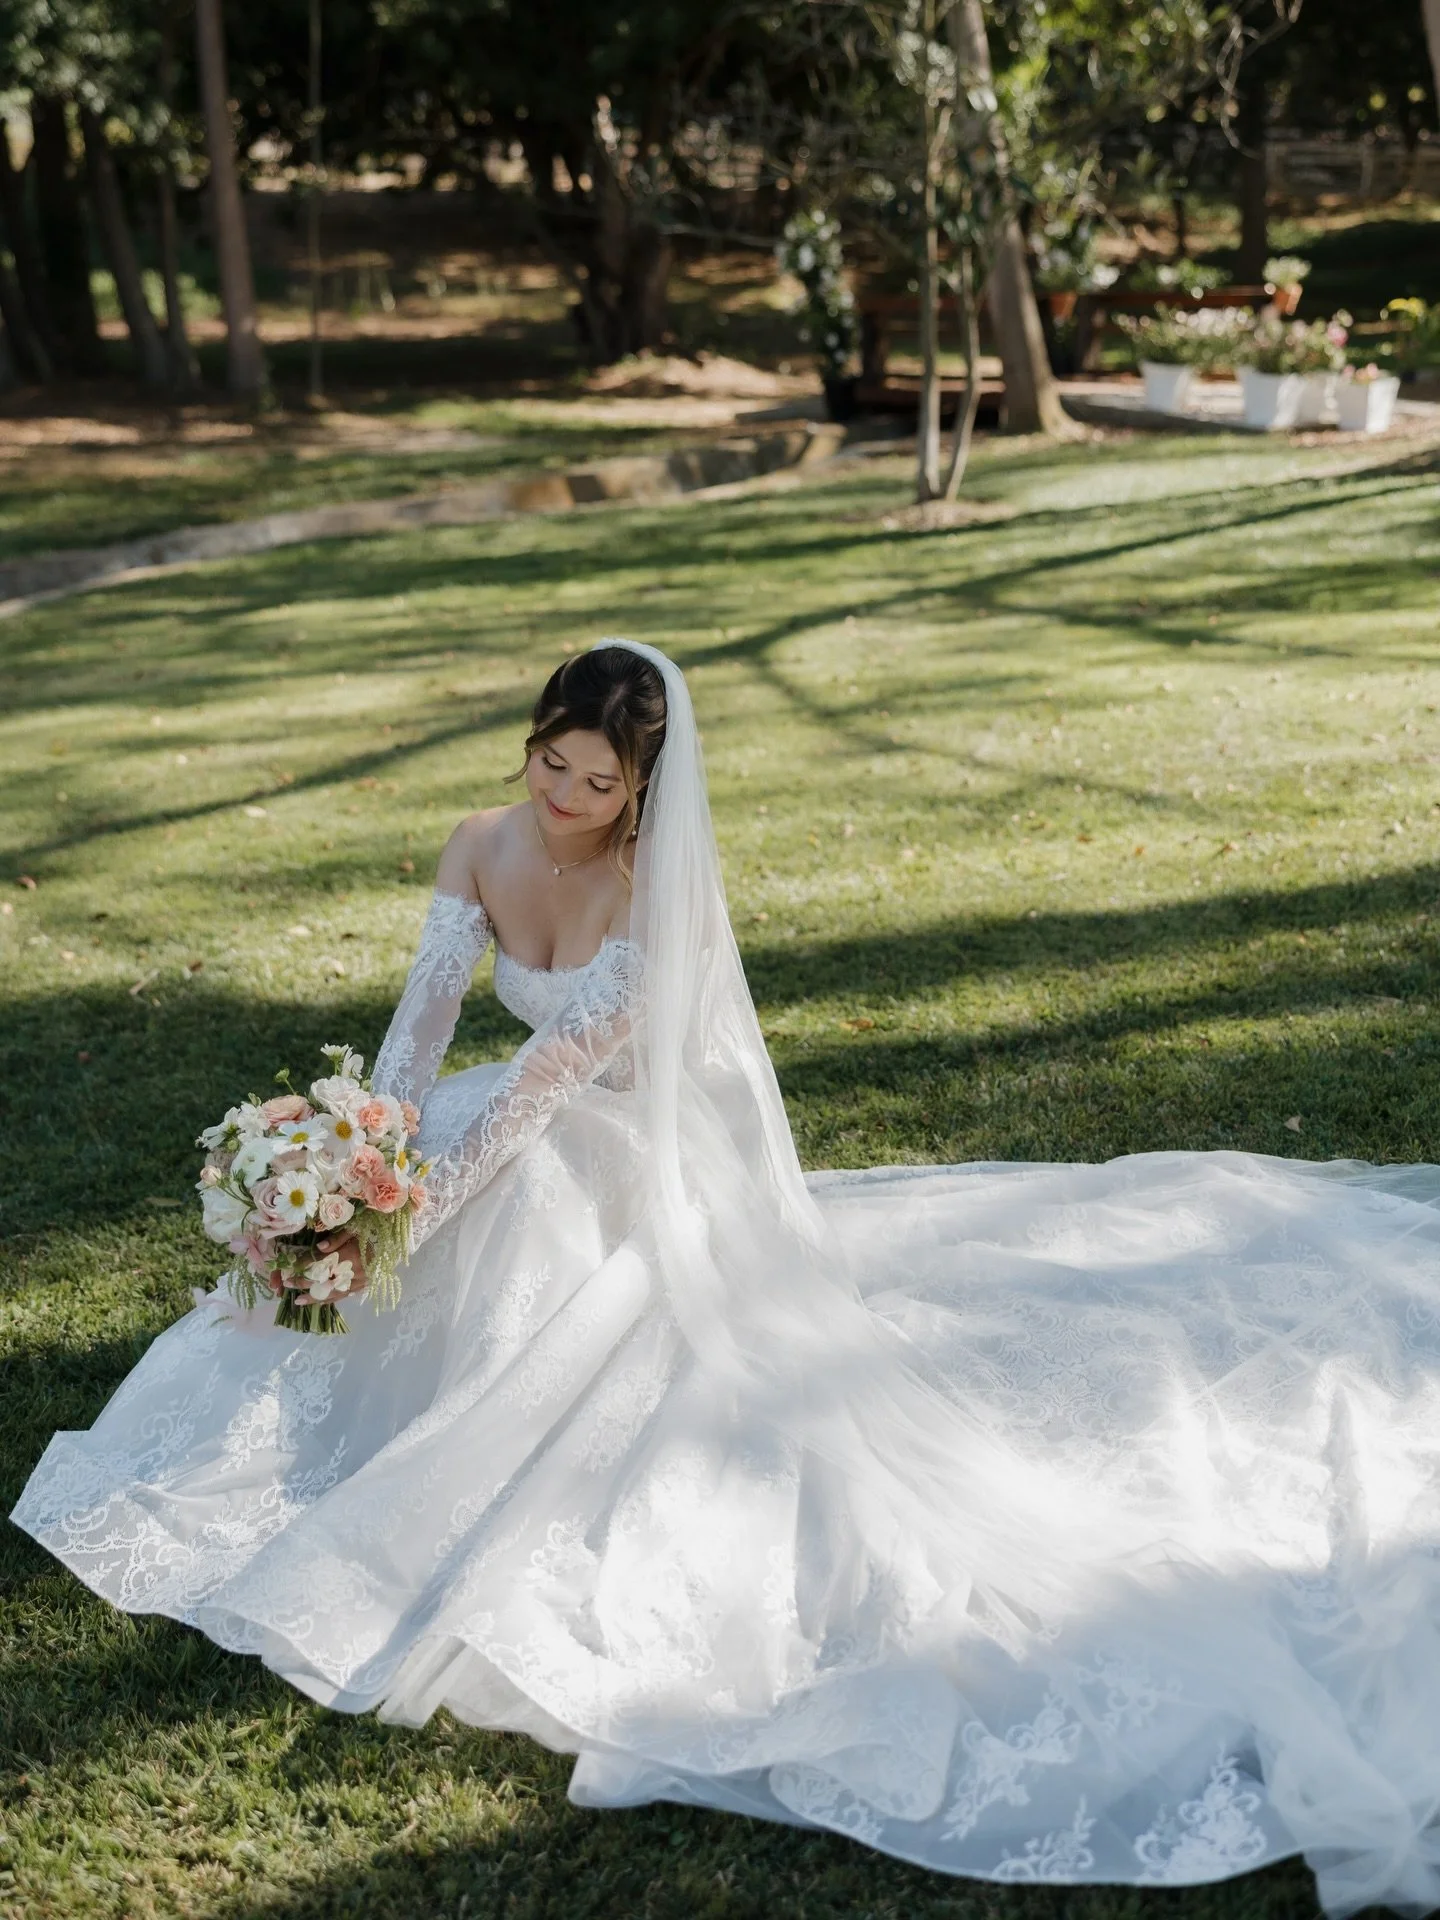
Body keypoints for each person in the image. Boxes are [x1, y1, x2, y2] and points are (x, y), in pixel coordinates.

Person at [15, 640, 1440, 1920]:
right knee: (361, 1270)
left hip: (623, 1148)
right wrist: (359, 1173)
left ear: (644, 788)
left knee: (541, 1225)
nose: (567, 794)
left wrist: (416, 1220)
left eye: (598, 779)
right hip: (477, 1128)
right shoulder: (474, 843)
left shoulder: (650, 894)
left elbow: (546, 1090)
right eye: (550, 762)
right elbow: (422, 1037)